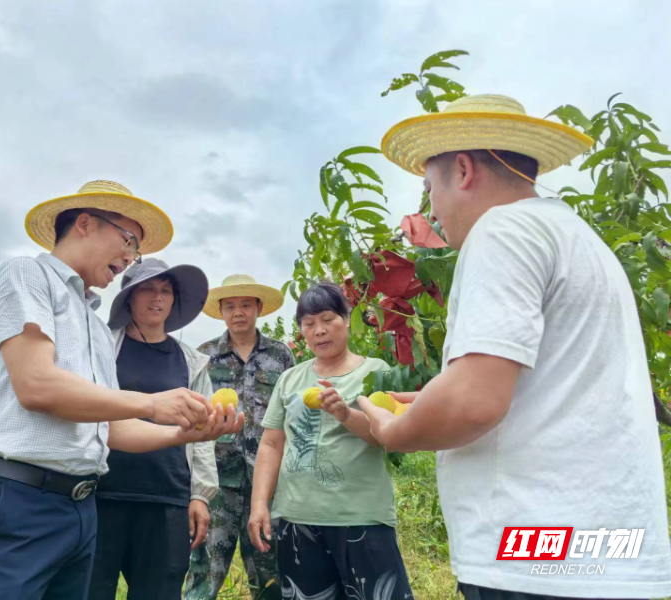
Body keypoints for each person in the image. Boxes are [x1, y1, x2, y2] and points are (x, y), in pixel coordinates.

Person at [359, 94, 671, 599]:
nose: (431, 211)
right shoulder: (578, 237)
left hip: (531, 554)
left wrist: (394, 432)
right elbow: (539, 386)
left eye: (429, 189)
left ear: (462, 170)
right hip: (598, 547)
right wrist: (436, 395)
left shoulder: (501, 229)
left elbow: (473, 401)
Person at [0, 180, 242, 600]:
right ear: (85, 223)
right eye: (129, 241)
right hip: (13, 498)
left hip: (79, 507)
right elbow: (36, 385)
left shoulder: (95, 328)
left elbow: (109, 430)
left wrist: (185, 435)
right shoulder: (26, 276)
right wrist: (152, 403)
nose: (130, 257)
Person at [248, 282, 414, 600]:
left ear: (346, 319)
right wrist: (259, 505)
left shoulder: (375, 373)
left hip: (361, 517)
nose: (319, 331)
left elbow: (388, 436)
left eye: (327, 319)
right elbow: (271, 445)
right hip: (297, 519)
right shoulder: (290, 379)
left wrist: (345, 414)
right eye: (309, 324)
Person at [89, 258, 218, 599]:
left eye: (165, 291)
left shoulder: (191, 361)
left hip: (166, 498)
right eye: (146, 288)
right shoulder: (102, 347)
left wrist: (199, 495)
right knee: (90, 589)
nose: (156, 297)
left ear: (174, 300)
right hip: (101, 495)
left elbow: (202, 435)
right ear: (129, 296)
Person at [185, 274, 295, 600]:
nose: (238, 313)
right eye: (230, 306)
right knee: (206, 568)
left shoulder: (280, 356)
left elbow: (291, 414)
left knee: (268, 568)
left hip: (267, 481)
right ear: (221, 311)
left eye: (246, 305)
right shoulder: (203, 356)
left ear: (258, 308)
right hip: (218, 481)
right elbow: (193, 420)